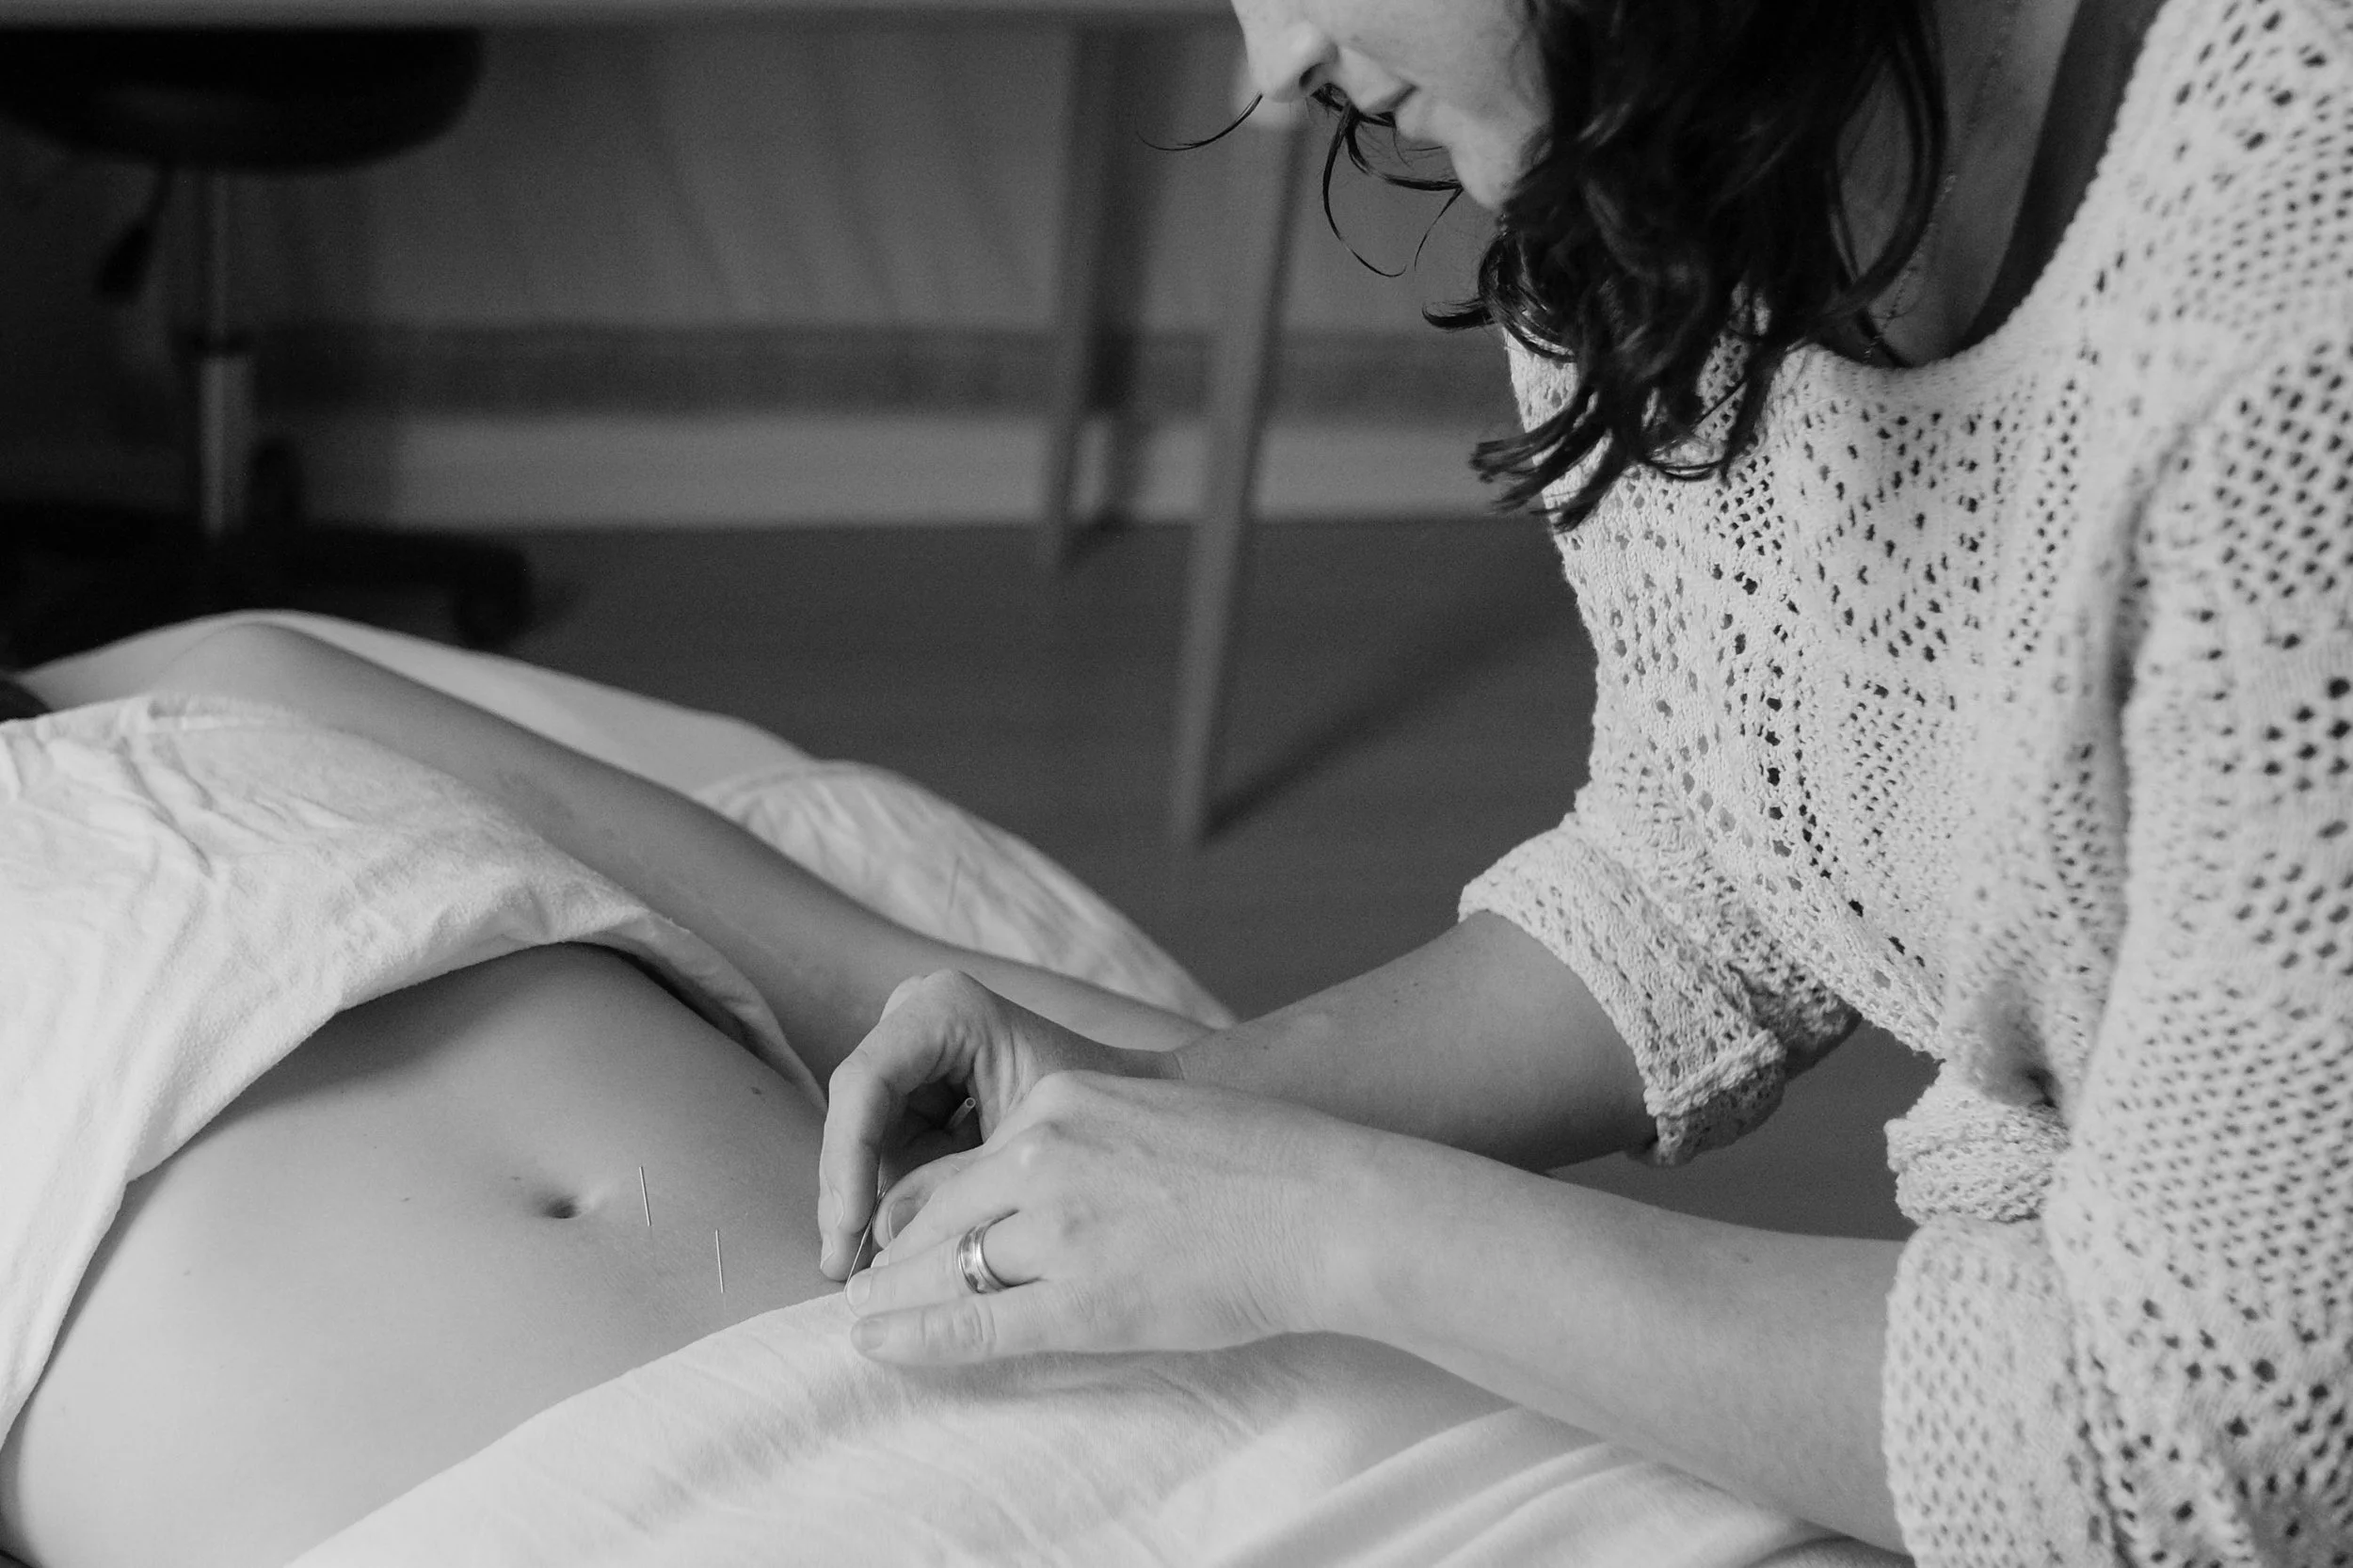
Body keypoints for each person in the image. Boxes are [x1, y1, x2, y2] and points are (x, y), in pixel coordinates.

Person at [817, 0, 2353, 1562]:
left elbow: (2207, 1449)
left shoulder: (2295, 294)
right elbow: (1714, 857)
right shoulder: (1647, 152)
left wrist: (1318, 1223)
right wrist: (1181, 1106)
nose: (1278, 64)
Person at [0, 624, 1211, 1568]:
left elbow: (865, 972)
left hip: (1015, 1365)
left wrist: (1266, 1130)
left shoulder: (238, 685)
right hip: (470, 1524)